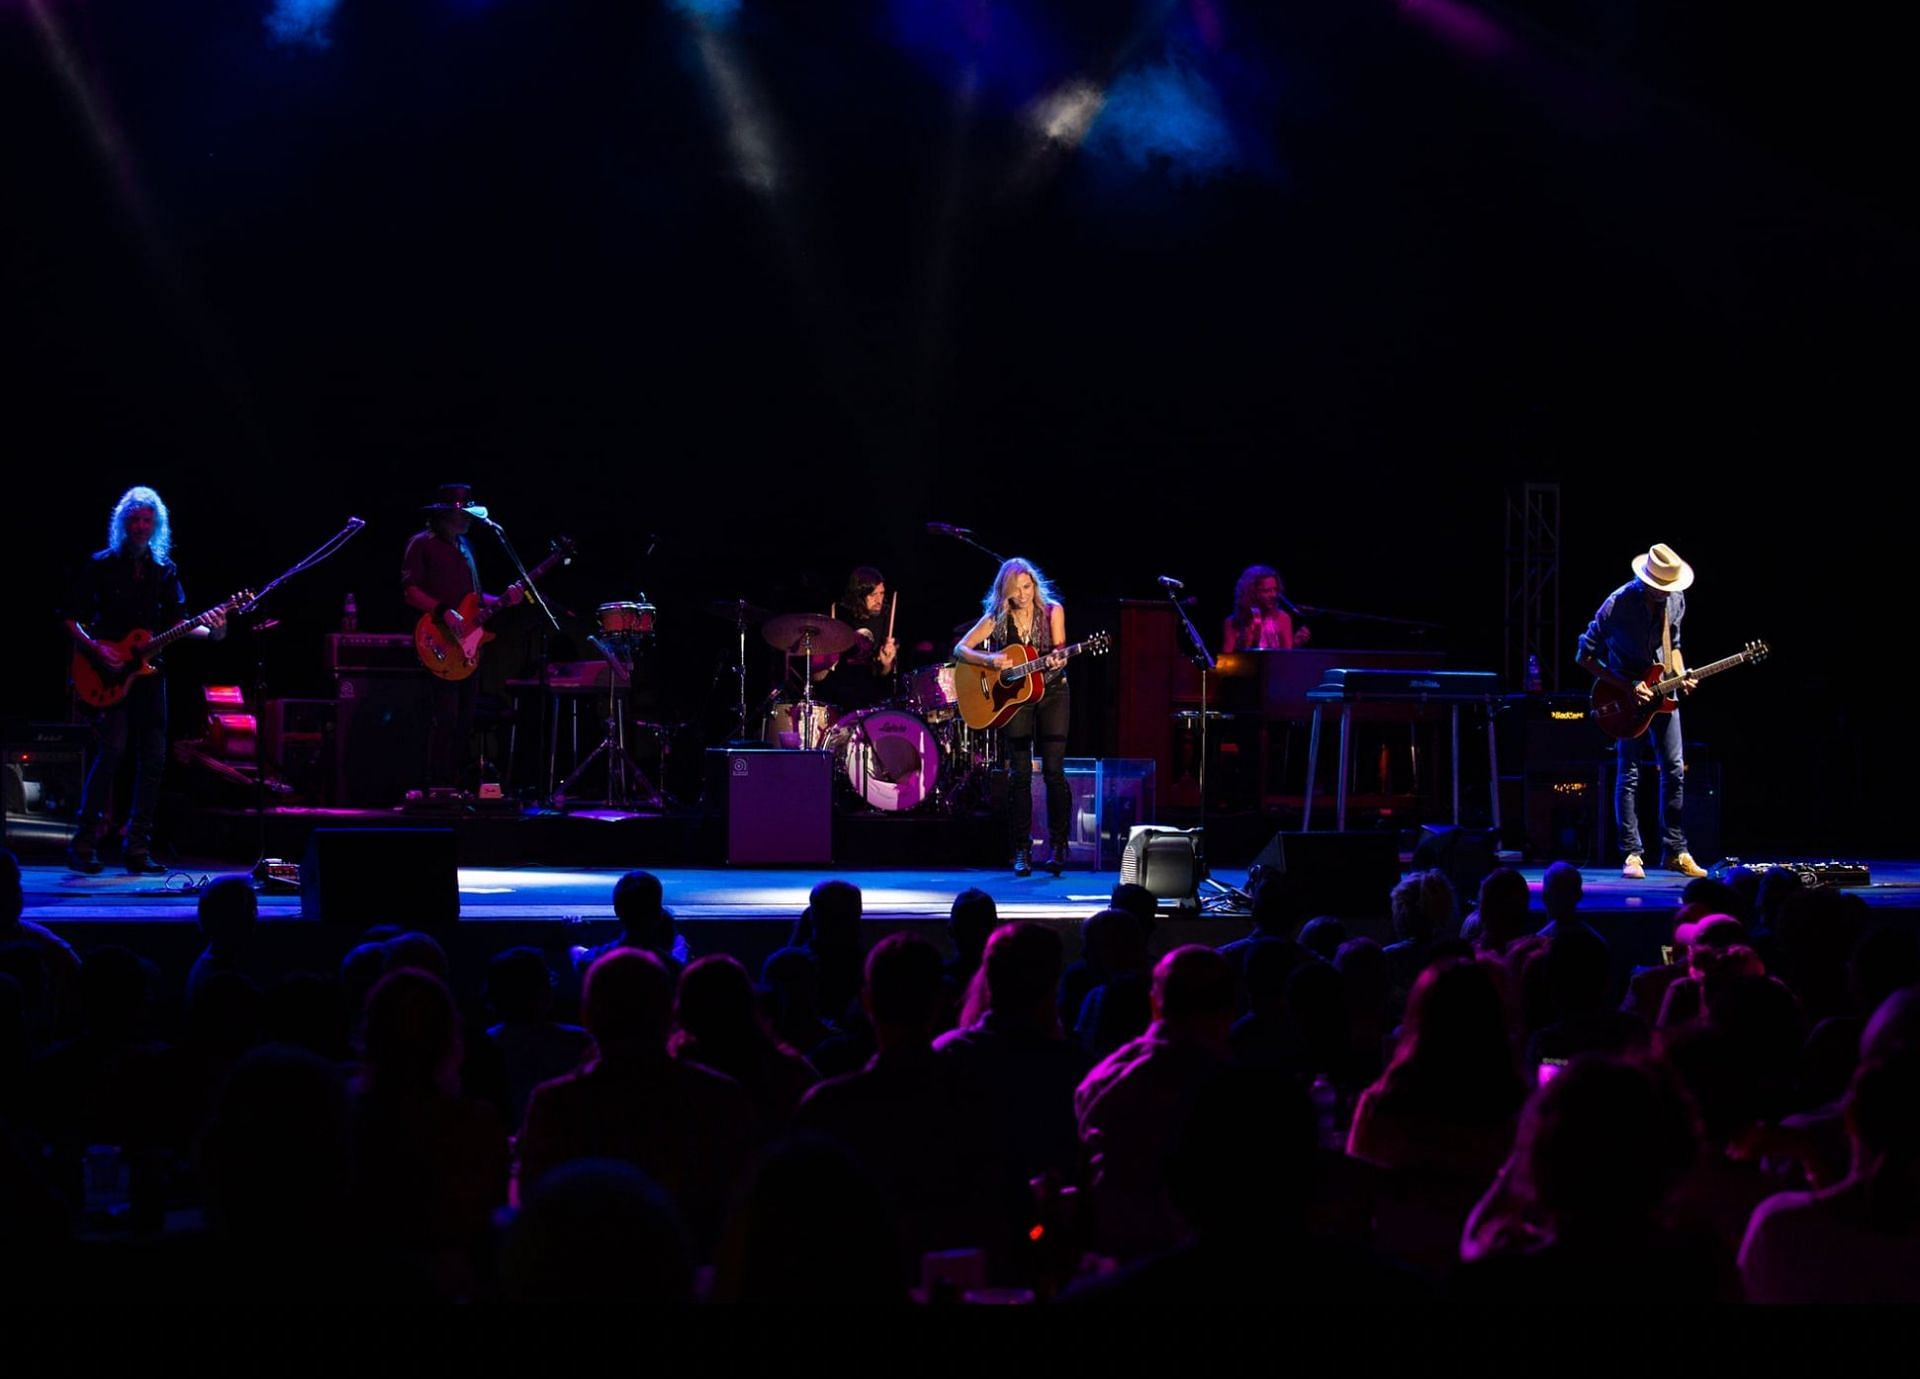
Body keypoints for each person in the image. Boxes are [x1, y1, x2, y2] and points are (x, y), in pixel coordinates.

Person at [61, 486, 227, 873]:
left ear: (156, 525)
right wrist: (95, 648)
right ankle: (84, 844)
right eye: (133, 519)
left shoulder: (165, 570)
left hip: (151, 676)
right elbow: (69, 617)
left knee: (153, 759)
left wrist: (215, 630)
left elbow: (180, 625)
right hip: (106, 671)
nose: (140, 526)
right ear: (123, 523)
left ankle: (137, 849)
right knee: (113, 752)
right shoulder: (100, 565)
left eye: (146, 520)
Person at [1575, 542, 1707, 880]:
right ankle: (1632, 853)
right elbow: (1584, 656)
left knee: (1674, 769)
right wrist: (1623, 685)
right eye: (1659, 589)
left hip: (1663, 695)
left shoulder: (1676, 599)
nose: (1664, 595)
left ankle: (1676, 850)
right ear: (1646, 581)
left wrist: (1681, 675)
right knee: (1630, 773)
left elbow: (1673, 646)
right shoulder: (1617, 604)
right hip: (1626, 699)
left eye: (1668, 589)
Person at [400, 483, 523, 794]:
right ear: (443, 517)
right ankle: (436, 785)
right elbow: (411, 592)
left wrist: (506, 598)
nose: (468, 520)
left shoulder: (466, 548)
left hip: (466, 646)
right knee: (445, 716)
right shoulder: (421, 544)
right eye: (462, 514)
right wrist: (444, 611)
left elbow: (475, 599)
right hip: (437, 638)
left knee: (464, 718)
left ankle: (452, 784)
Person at [954, 557, 1071, 877]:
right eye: (1015, 589)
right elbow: (961, 650)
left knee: (1053, 771)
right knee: (1019, 773)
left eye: (1027, 586)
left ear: (1035, 584)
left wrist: (1057, 661)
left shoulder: (1052, 611)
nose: (1022, 594)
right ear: (1004, 591)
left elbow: (1059, 653)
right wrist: (989, 660)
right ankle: (1021, 849)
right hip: (1016, 700)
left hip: (1053, 693)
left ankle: (1059, 846)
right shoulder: (997, 617)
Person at [817, 566, 899, 712]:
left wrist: (886, 665)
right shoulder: (838, 614)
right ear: (859, 595)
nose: (879, 600)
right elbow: (819, 675)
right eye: (873, 595)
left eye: (882, 593)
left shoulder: (886, 617)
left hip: (873, 697)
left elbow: (884, 676)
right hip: (840, 697)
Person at [1221, 564, 1310, 653]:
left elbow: (1286, 658)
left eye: (1275, 590)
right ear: (1252, 592)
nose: (1273, 595)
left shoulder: (1283, 618)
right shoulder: (1234, 622)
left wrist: (1295, 644)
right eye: (1266, 591)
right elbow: (1227, 659)